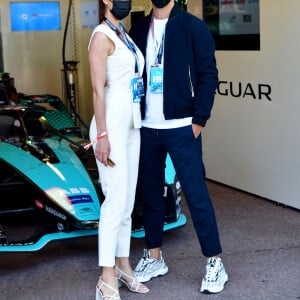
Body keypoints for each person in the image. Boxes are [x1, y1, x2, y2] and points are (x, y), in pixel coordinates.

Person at [129, 0, 228, 294]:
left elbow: (209, 74)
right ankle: (155, 256)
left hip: (182, 127)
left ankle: (214, 262)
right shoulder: (137, 30)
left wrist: (198, 120)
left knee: (197, 196)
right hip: (147, 127)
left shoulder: (193, 27)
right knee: (150, 194)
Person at [87, 0, 149, 298]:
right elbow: (98, 89)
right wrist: (101, 135)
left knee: (126, 199)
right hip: (109, 125)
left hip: (131, 124)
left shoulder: (123, 34)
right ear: (106, 1)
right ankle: (106, 275)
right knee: (114, 200)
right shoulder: (101, 36)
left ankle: (124, 265)